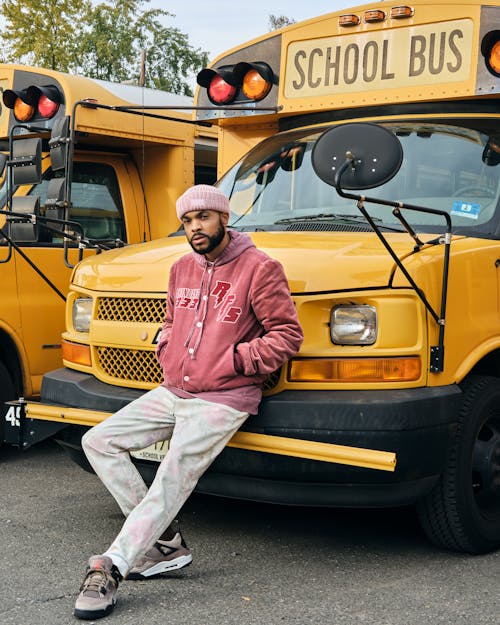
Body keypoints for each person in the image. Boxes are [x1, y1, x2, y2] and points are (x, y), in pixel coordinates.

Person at [74, 184, 304, 620]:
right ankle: (162, 546)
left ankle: (113, 565)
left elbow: (287, 335)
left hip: (225, 396)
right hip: (175, 388)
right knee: (98, 442)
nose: (195, 227)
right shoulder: (181, 267)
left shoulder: (260, 268)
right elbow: (170, 320)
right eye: (187, 221)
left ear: (223, 217)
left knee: (172, 475)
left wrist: (237, 359)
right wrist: (166, 344)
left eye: (203, 217)